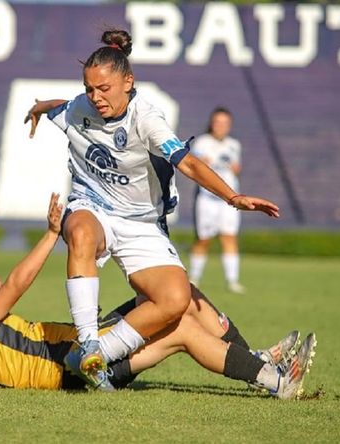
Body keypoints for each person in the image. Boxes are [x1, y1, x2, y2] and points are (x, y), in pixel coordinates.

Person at [24, 29, 280, 390]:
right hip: (92, 206)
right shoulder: (80, 106)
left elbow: (187, 164)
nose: (95, 98)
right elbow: (60, 107)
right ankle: (88, 341)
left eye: (104, 89)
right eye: (89, 89)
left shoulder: (147, 118)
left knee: (177, 299)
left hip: (142, 222)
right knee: (80, 232)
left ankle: (94, 357)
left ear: (128, 81)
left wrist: (232, 197)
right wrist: (38, 107)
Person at [0, 193, 317, 399]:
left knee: (178, 295)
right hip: (75, 369)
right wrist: (52, 234)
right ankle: (274, 379)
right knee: (181, 326)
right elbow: (17, 283)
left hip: (81, 349)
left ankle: (255, 359)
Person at [188, 107, 245, 293]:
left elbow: (236, 169)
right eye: (217, 122)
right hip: (207, 199)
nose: (221, 126)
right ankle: (194, 278)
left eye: (225, 123)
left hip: (229, 200)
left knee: (229, 237)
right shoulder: (202, 143)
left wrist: (235, 169)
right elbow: (196, 166)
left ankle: (232, 280)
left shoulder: (234, 145)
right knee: (203, 239)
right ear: (212, 124)